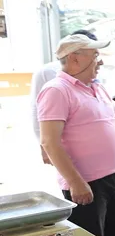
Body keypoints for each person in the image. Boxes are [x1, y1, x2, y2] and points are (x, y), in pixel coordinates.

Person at [37, 34, 115, 236]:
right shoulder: (56, 90)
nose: (100, 61)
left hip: (114, 176)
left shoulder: (97, 87)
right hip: (86, 182)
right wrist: (76, 182)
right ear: (75, 58)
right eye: (95, 55)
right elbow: (49, 141)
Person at [29, 29, 98, 164]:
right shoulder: (46, 73)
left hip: (90, 149)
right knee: (73, 178)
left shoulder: (91, 69)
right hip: (64, 144)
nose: (97, 59)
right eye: (93, 53)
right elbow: (36, 111)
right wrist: (43, 145)